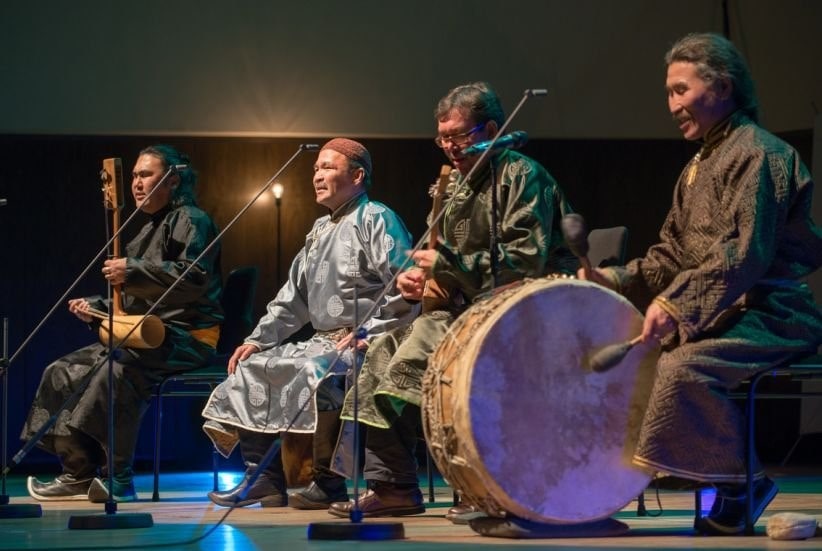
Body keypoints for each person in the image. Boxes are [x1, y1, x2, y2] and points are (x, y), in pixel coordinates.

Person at [579, 33, 822, 535]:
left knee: (681, 367)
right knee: (647, 364)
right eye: (669, 92)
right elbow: (672, 253)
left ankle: (743, 484)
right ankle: (598, 490)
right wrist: (616, 277)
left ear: (723, 86)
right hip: (725, 310)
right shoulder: (697, 165)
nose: (672, 104)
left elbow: (745, 253)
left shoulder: (759, 154)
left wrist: (675, 303)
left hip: (774, 311)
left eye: (680, 90)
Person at [328, 82, 577, 519]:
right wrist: (418, 280)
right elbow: (438, 261)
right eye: (442, 137)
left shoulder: (520, 175)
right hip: (465, 307)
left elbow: (525, 261)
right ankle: (394, 486)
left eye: (459, 136)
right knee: (377, 358)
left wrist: (444, 265)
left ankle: (477, 483)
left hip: (525, 308)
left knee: (416, 360)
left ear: (493, 128)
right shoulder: (454, 185)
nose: (449, 147)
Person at [200, 138, 416, 510]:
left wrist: (370, 332)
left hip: (366, 340)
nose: (317, 175)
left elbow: (404, 284)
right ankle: (263, 479)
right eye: (315, 168)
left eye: (328, 168)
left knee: (322, 372)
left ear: (358, 175)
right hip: (323, 338)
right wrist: (257, 340)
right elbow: (292, 298)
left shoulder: (376, 218)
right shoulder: (318, 230)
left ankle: (328, 481)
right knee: (251, 366)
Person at [23, 145, 224, 502]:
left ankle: (119, 477)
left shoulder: (193, 220)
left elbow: (194, 278)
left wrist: (132, 270)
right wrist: (97, 308)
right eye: (133, 176)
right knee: (60, 371)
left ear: (173, 180)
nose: (136, 183)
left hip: (184, 337)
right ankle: (78, 472)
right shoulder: (142, 230)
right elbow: (131, 301)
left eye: (145, 175)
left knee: (115, 373)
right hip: (139, 336)